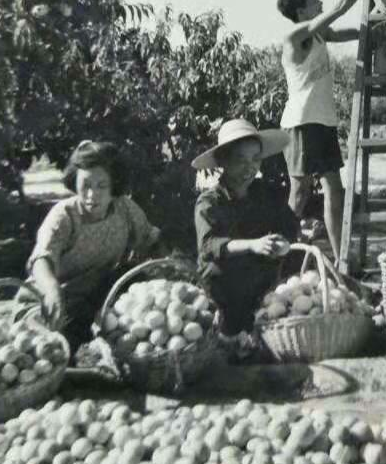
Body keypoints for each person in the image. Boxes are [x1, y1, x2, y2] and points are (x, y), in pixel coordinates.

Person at [277, 0, 386, 264]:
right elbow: (340, 9)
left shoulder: (317, 36)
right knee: (299, 193)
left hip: (322, 121)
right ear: (302, 10)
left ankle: (340, 259)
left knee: (334, 189)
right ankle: (276, 254)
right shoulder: (295, 36)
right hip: (301, 122)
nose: (320, 2)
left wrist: (370, 31)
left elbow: (340, 31)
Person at [18, 140, 162, 355]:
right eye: (85, 184)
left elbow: (151, 239)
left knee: (134, 278)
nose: (92, 195)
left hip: (94, 295)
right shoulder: (64, 216)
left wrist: (164, 277)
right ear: (74, 181)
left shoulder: (123, 208)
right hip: (52, 303)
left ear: (114, 184)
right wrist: (51, 289)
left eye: (101, 186)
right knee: (49, 352)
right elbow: (42, 259)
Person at [193, 119, 299, 336]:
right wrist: (252, 245)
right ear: (223, 161)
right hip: (223, 285)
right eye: (240, 159)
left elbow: (288, 224)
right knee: (231, 333)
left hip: (259, 281)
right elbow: (209, 244)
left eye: (255, 159)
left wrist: (285, 240)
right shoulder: (209, 202)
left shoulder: (265, 193)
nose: (249, 166)